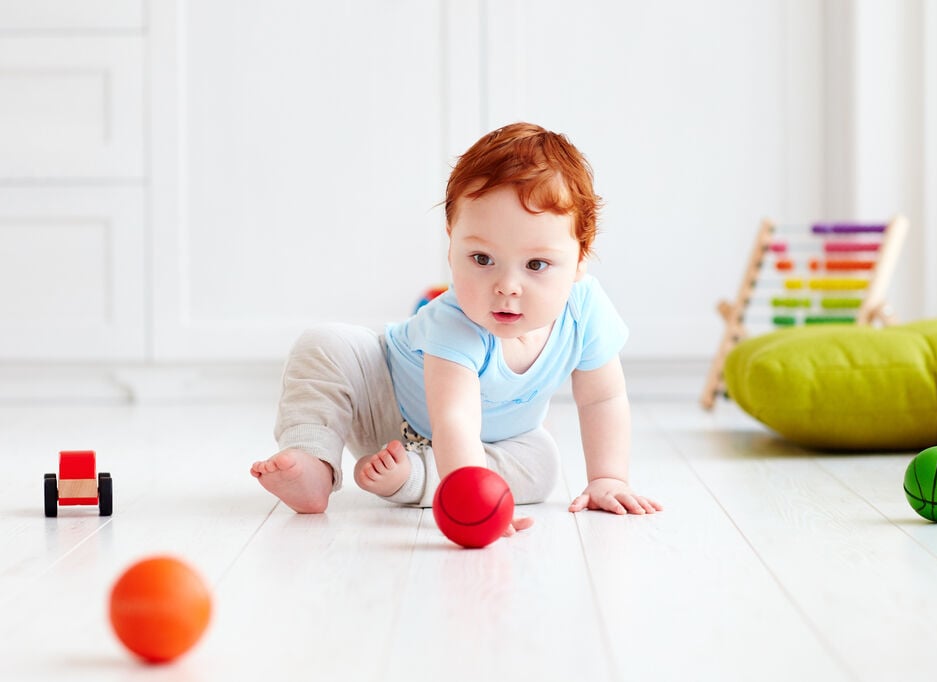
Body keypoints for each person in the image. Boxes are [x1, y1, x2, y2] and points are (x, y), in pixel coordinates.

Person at [250, 122, 662, 533]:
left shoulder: (585, 311)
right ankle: (313, 462)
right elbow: (455, 419)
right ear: (452, 243)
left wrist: (608, 477)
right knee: (325, 344)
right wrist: (473, 500)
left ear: (580, 259)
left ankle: (413, 477)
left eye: (536, 265)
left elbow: (602, 399)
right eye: (482, 259)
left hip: (485, 444)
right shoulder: (454, 320)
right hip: (383, 402)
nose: (506, 286)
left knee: (541, 465)